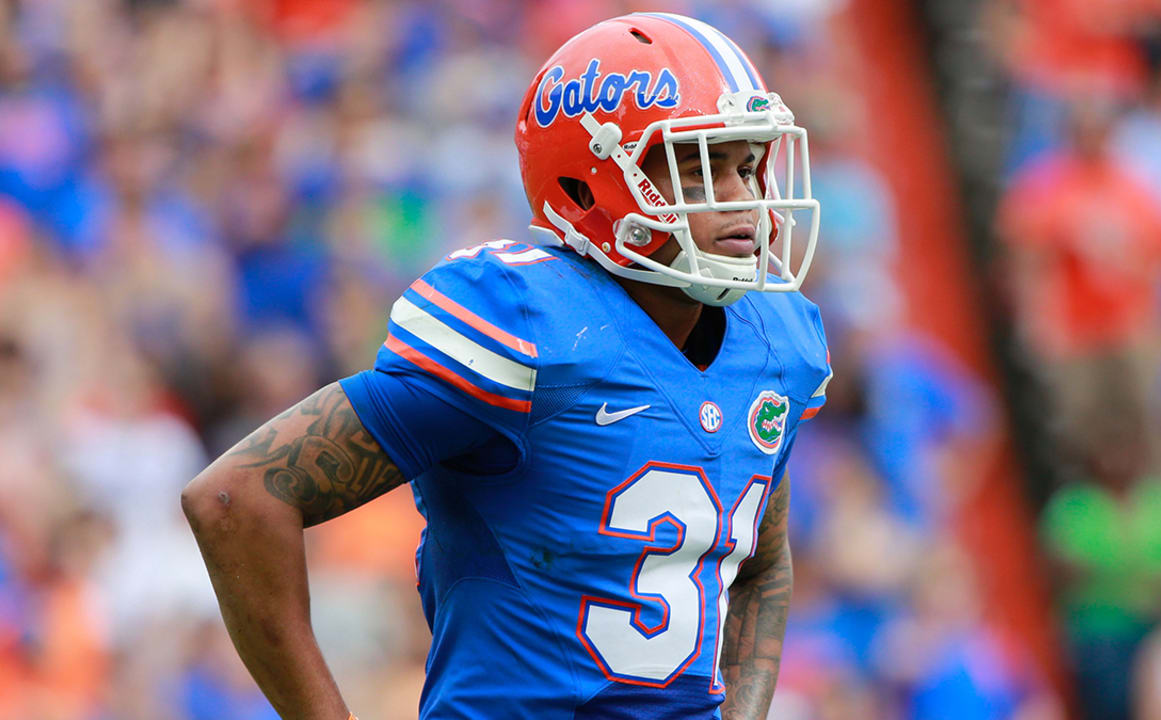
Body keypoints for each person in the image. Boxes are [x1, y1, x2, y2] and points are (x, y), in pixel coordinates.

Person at [181, 12, 830, 720]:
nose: (745, 201)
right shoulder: (523, 323)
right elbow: (236, 499)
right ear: (590, 185)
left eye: (745, 165)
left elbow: (760, 557)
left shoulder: (775, 339)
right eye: (701, 169)